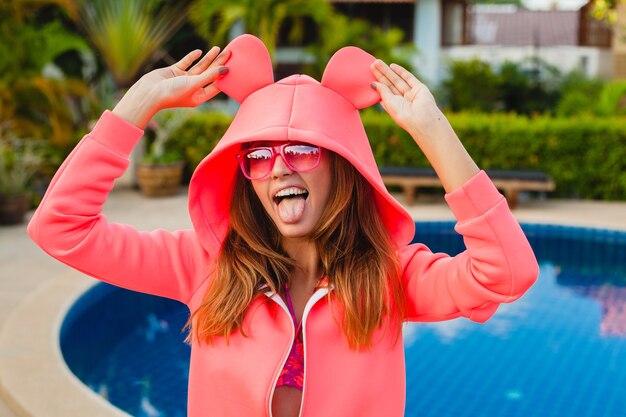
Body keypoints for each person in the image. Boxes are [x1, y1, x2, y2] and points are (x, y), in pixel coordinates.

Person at [28, 34, 538, 417]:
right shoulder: (202, 264)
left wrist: (435, 134)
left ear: (343, 166)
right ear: (242, 174)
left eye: (302, 150)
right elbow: (61, 227)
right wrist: (135, 108)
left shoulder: (390, 275)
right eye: (259, 154)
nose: (278, 168)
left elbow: (506, 274)